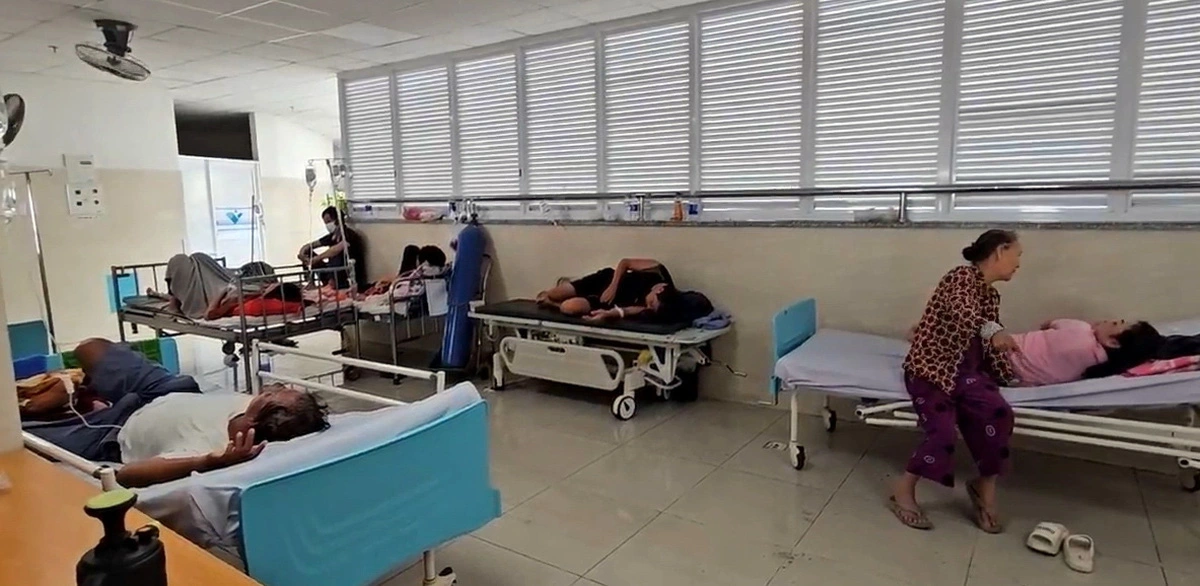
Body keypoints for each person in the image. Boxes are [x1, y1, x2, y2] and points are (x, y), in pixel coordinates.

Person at [23, 338, 329, 488]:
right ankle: (89, 389)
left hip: (120, 426)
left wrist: (208, 462)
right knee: (90, 348)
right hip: (171, 389)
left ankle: (83, 399)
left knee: (18, 434)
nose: (277, 385)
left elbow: (127, 475)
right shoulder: (252, 409)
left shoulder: (210, 449)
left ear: (262, 411)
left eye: (276, 392)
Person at [894, 229, 1021, 533]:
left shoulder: (991, 293)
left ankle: (983, 487)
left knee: (999, 414)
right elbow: (965, 314)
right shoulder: (960, 277)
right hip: (932, 368)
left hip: (968, 374)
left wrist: (1007, 371)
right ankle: (903, 490)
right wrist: (994, 333)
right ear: (1000, 251)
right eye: (1017, 254)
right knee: (942, 432)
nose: (1019, 263)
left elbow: (986, 333)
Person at [904, 319, 1163, 386]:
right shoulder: (1100, 366)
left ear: (1114, 342)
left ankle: (927, 341)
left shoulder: (1081, 331)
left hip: (1002, 354)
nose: (1111, 319)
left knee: (980, 327)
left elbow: (1050, 322)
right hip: (1012, 377)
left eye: (1117, 323)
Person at [535, 258, 677, 321]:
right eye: (650, 302)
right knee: (555, 293)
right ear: (659, 290)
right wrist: (613, 286)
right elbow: (625, 262)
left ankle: (551, 303)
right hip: (606, 280)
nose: (647, 306)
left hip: (606, 302)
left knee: (569, 307)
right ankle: (551, 296)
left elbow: (630, 310)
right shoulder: (657, 270)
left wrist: (609, 313)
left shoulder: (661, 305)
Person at [298, 206, 367, 292]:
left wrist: (317, 258)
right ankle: (311, 282)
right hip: (331, 272)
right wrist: (302, 254)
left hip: (345, 275)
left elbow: (336, 249)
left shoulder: (348, 235)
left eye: (329, 221)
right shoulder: (332, 236)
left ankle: (332, 283)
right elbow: (310, 245)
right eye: (325, 223)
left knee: (336, 256)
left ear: (338, 220)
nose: (327, 225)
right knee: (308, 252)